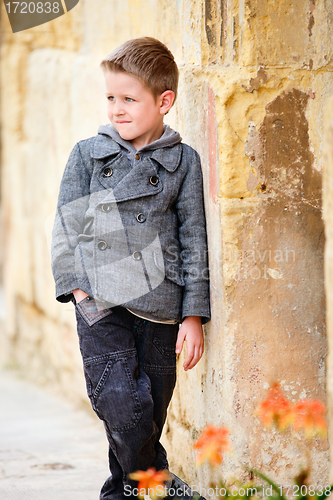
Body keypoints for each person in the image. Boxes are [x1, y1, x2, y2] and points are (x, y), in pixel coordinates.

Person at [51, 37, 210, 500]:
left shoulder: (183, 162)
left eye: (129, 99)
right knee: (120, 401)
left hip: (160, 308)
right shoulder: (87, 154)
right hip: (100, 303)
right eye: (110, 98)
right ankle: (161, 484)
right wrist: (80, 293)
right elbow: (66, 229)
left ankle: (124, 493)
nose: (117, 109)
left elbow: (193, 238)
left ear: (164, 101)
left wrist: (194, 315)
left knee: (145, 416)